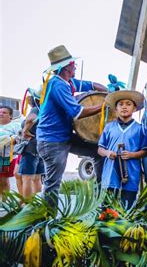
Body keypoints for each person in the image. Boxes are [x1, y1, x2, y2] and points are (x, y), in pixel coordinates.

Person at [37, 45, 104, 206]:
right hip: (52, 141)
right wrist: (104, 105)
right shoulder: (58, 85)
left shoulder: (69, 82)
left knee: (99, 152)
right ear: (66, 67)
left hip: (64, 136)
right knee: (53, 183)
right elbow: (77, 112)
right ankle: (47, 220)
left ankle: (100, 200)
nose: (75, 66)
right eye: (73, 64)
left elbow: (93, 85)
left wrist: (109, 93)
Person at [98, 90, 147, 208]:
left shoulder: (140, 128)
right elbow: (100, 149)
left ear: (134, 108)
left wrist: (132, 155)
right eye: (121, 104)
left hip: (131, 171)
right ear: (116, 109)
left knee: (127, 206)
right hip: (111, 171)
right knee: (107, 207)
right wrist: (107, 152)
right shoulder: (109, 127)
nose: (124, 107)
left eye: (128, 104)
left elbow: (145, 150)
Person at [17, 88, 44, 197]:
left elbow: (30, 119)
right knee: (37, 178)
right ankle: (37, 205)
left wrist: (25, 130)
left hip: (30, 147)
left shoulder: (35, 109)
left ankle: (27, 205)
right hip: (42, 147)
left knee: (27, 178)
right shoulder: (45, 109)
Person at [0, 105, 22, 197]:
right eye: (0, 112)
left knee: (3, 180)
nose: (1, 114)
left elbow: (21, 139)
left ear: (11, 116)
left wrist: (10, 139)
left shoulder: (15, 126)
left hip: (7, 157)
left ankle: (5, 203)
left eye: (4, 113)